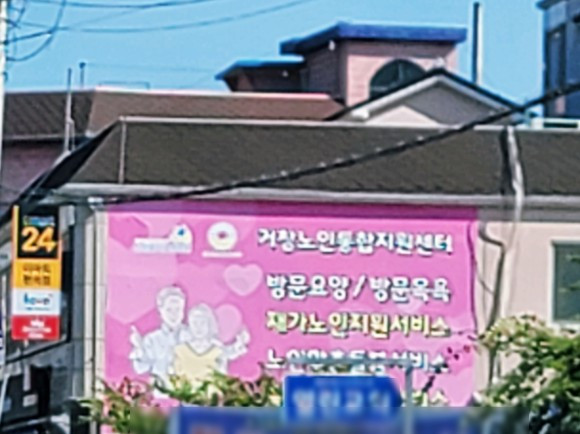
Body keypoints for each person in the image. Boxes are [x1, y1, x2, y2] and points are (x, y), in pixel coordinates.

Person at [173, 303, 249, 388]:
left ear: (209, 324)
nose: (198, 327)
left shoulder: (216, 349)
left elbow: (230, 352)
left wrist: (239, 345)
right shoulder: (180, 350)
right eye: (195, 323)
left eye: (202, 323)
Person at [129, 286, 190, 386]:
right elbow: (140, 369)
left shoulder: (191, 336)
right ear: (160, 311)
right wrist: (139, 347)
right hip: (161, 391)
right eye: (169, 310)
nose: (174, 315)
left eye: (178, 309)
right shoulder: (152, 339)